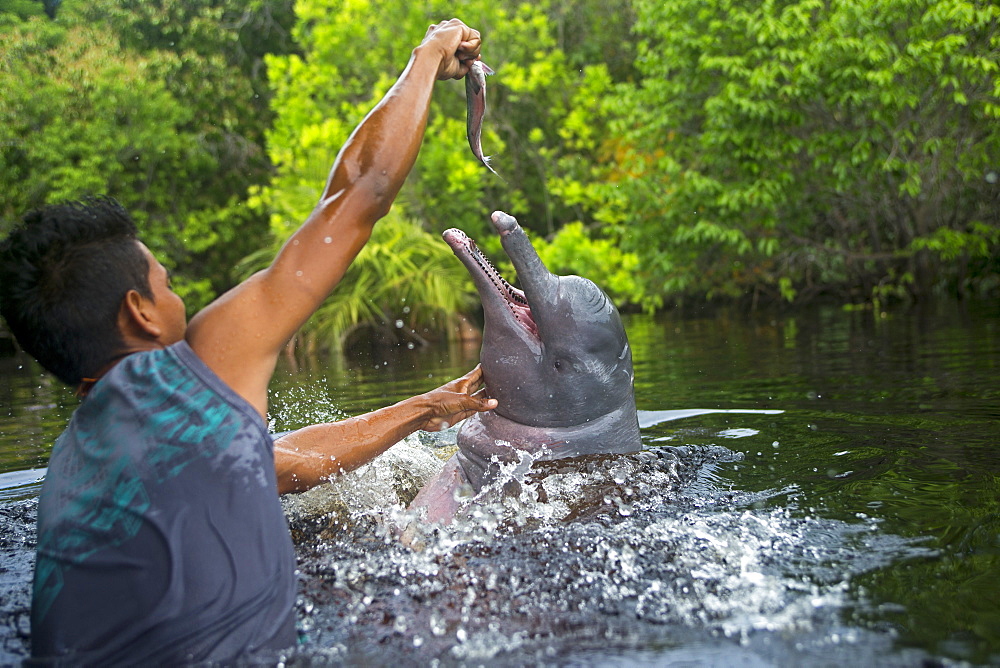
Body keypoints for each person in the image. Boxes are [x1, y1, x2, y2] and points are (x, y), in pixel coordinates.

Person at [0, 19, 497, 665]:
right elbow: (359, 194)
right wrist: (428, 57)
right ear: (139, 314)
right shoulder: (191, 369)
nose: (182, 299)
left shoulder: (77, 465)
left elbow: (284, 463)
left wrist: (421, 411)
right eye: (167, 284)